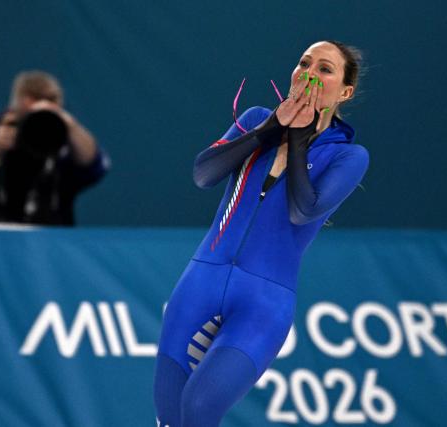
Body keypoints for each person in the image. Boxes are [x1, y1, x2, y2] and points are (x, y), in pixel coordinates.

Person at [153, 40, 369, 427]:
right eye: (305, 63)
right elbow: (204, 174)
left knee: (200, 408)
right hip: (201, 281)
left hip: (263, 302)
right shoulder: (255, 119)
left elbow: (303, 209)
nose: (310, 74)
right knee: (170, 419)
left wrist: (299, 137)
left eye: (325, 69)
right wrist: (272, 129)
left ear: (345, 91)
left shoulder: (348, 156)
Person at [0, 70, 109, 225]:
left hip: (49, 242)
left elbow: (92, 162)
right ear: (17, 104)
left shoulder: (61, 136)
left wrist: (68, 124)